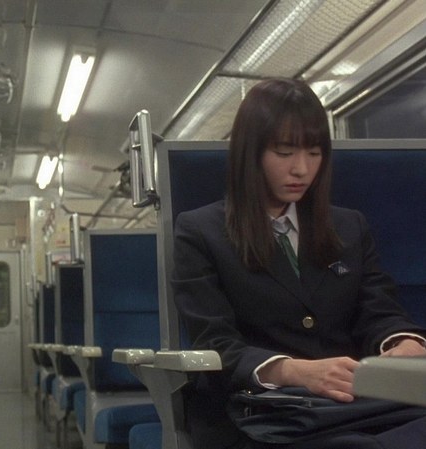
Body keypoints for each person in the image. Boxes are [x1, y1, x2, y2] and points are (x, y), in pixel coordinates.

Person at [171, 77, 426, 449]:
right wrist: (294, 371)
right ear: (250, 153)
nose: (302, 169)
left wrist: (403, 343)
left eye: (315, 153)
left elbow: (378, 312)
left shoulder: (348, 226)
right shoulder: (200, 232)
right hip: (260, 414)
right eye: (284, 152)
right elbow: (216, 344)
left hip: (353, 406)